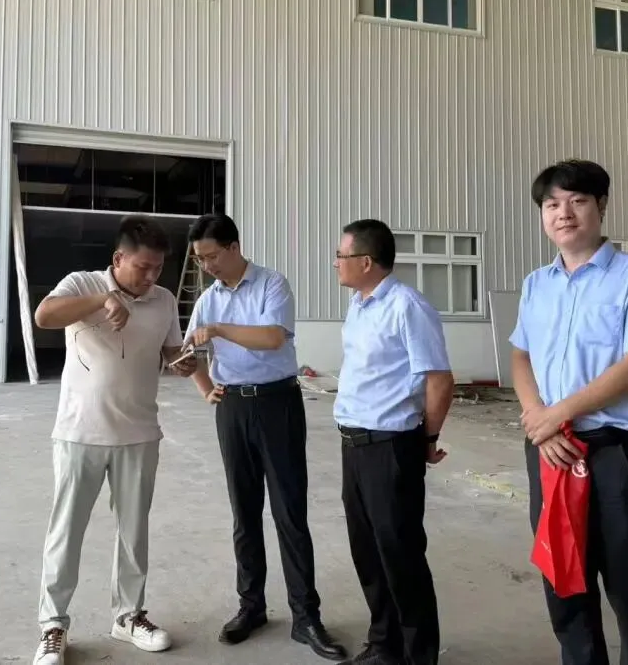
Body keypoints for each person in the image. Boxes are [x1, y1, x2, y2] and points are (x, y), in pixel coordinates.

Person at [510, 159, 628, 665]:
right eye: (551, 204)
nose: (563, 213)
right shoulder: (536, 284)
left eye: (577, 201)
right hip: (549, 451)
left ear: (600, 206)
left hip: (608, 453)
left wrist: (557, 412)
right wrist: (539, 418)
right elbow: (520, 356)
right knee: (563, 578)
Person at [31, 215, 197, 665]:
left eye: (158, 268)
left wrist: (182, 362)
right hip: (80, 432)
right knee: (66, 531)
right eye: (143, 267)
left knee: (133, 532)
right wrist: (103, 299)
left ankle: (128, 616)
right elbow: (44, 316)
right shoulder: (81, 283)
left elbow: (170, 351)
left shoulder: (164, 300)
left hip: (139, 434)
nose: (151, 276)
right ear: (118, 258)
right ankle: (53, 626)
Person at [182, 213, 347, 662]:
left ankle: (305, 617)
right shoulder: (208, 298)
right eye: (200, 260)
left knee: (289, 511)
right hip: (232, 406)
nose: (207, 266)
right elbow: (189, 350)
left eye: (211, 256)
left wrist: (218, 329)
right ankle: (251, 606)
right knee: (244, 511)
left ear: (234, 247)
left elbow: (273, 337)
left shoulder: (273, 284)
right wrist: (201, 383)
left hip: (277, 404)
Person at [333, 219, 455, 665]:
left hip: (390, 445)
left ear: (366, 261)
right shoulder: (358, 305)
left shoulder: (407, 306)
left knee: (400, 554)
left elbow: (439, 380)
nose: (336, 263)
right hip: (354, 444)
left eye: (341, 255)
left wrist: (428, 437)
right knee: (367, 552)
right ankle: (384, 645)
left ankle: (418, 654)